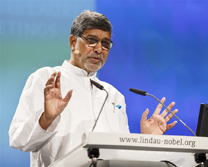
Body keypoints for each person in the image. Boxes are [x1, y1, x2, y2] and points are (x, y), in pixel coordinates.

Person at [9, 10, 178, 167]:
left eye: (105, 44)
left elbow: (122, 156)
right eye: (92, 40)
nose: (99, 49)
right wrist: (46, 118)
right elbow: (18, 140)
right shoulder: (47, 78)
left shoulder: (113, 95)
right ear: (73, 42)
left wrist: (146, 142)